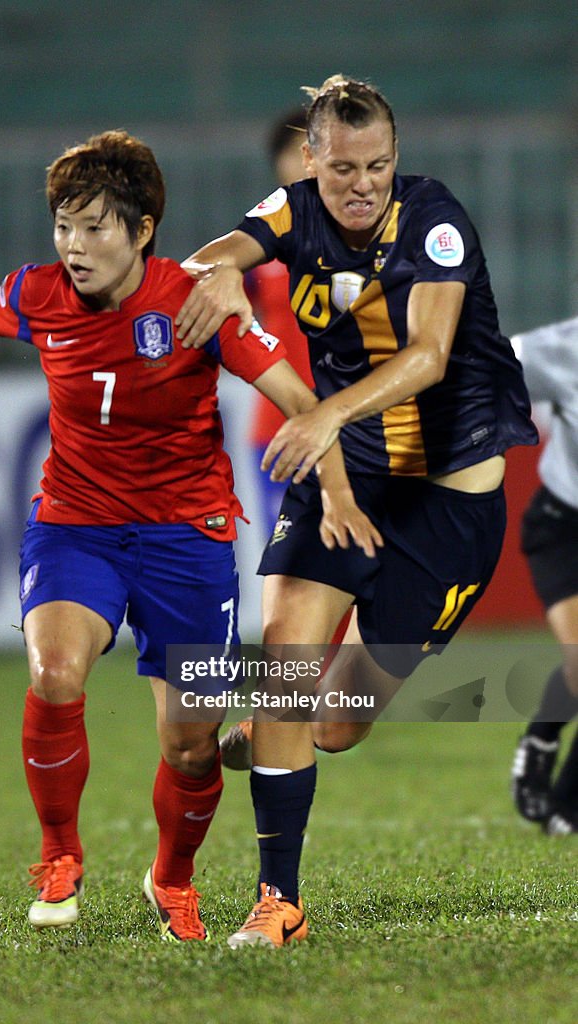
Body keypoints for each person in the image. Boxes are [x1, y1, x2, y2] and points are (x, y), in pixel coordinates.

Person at [0, 130, 380, 942]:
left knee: (194, 744)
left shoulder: (196, 302)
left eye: (95, 227)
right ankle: (59, 852)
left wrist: (335, 490)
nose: (74, 246)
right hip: (76, 525)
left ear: (143, 229)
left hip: (187, 540)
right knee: (55, 671)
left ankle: (172, 877)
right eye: (64, 226)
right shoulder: (40, 291)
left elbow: (302, 399)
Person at [175, 75, 539, 949]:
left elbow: (430, 353)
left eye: (378, 166)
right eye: (342, 170)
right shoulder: (294, 207)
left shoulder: (434, 221)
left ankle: (276, 730)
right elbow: (210, 256)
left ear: (396, 160)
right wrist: (219, 275)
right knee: (290, 663)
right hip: (345, 479)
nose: (362, 185)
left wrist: (327, 410)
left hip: (448, 506)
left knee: (335, 723)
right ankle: (279, 901)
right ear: (312, 160)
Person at [509, 316, 578, 835]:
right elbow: (472, 371)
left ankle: (564, 809)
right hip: (564, 527)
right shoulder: (560, 348)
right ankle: (544, 741)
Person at [247, 109, 314, 536]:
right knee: (290, 563)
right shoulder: (258, 241)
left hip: (349, 420)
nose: (306, 158)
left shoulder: (365, 234)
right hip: (279, 426)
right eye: (295, 150)